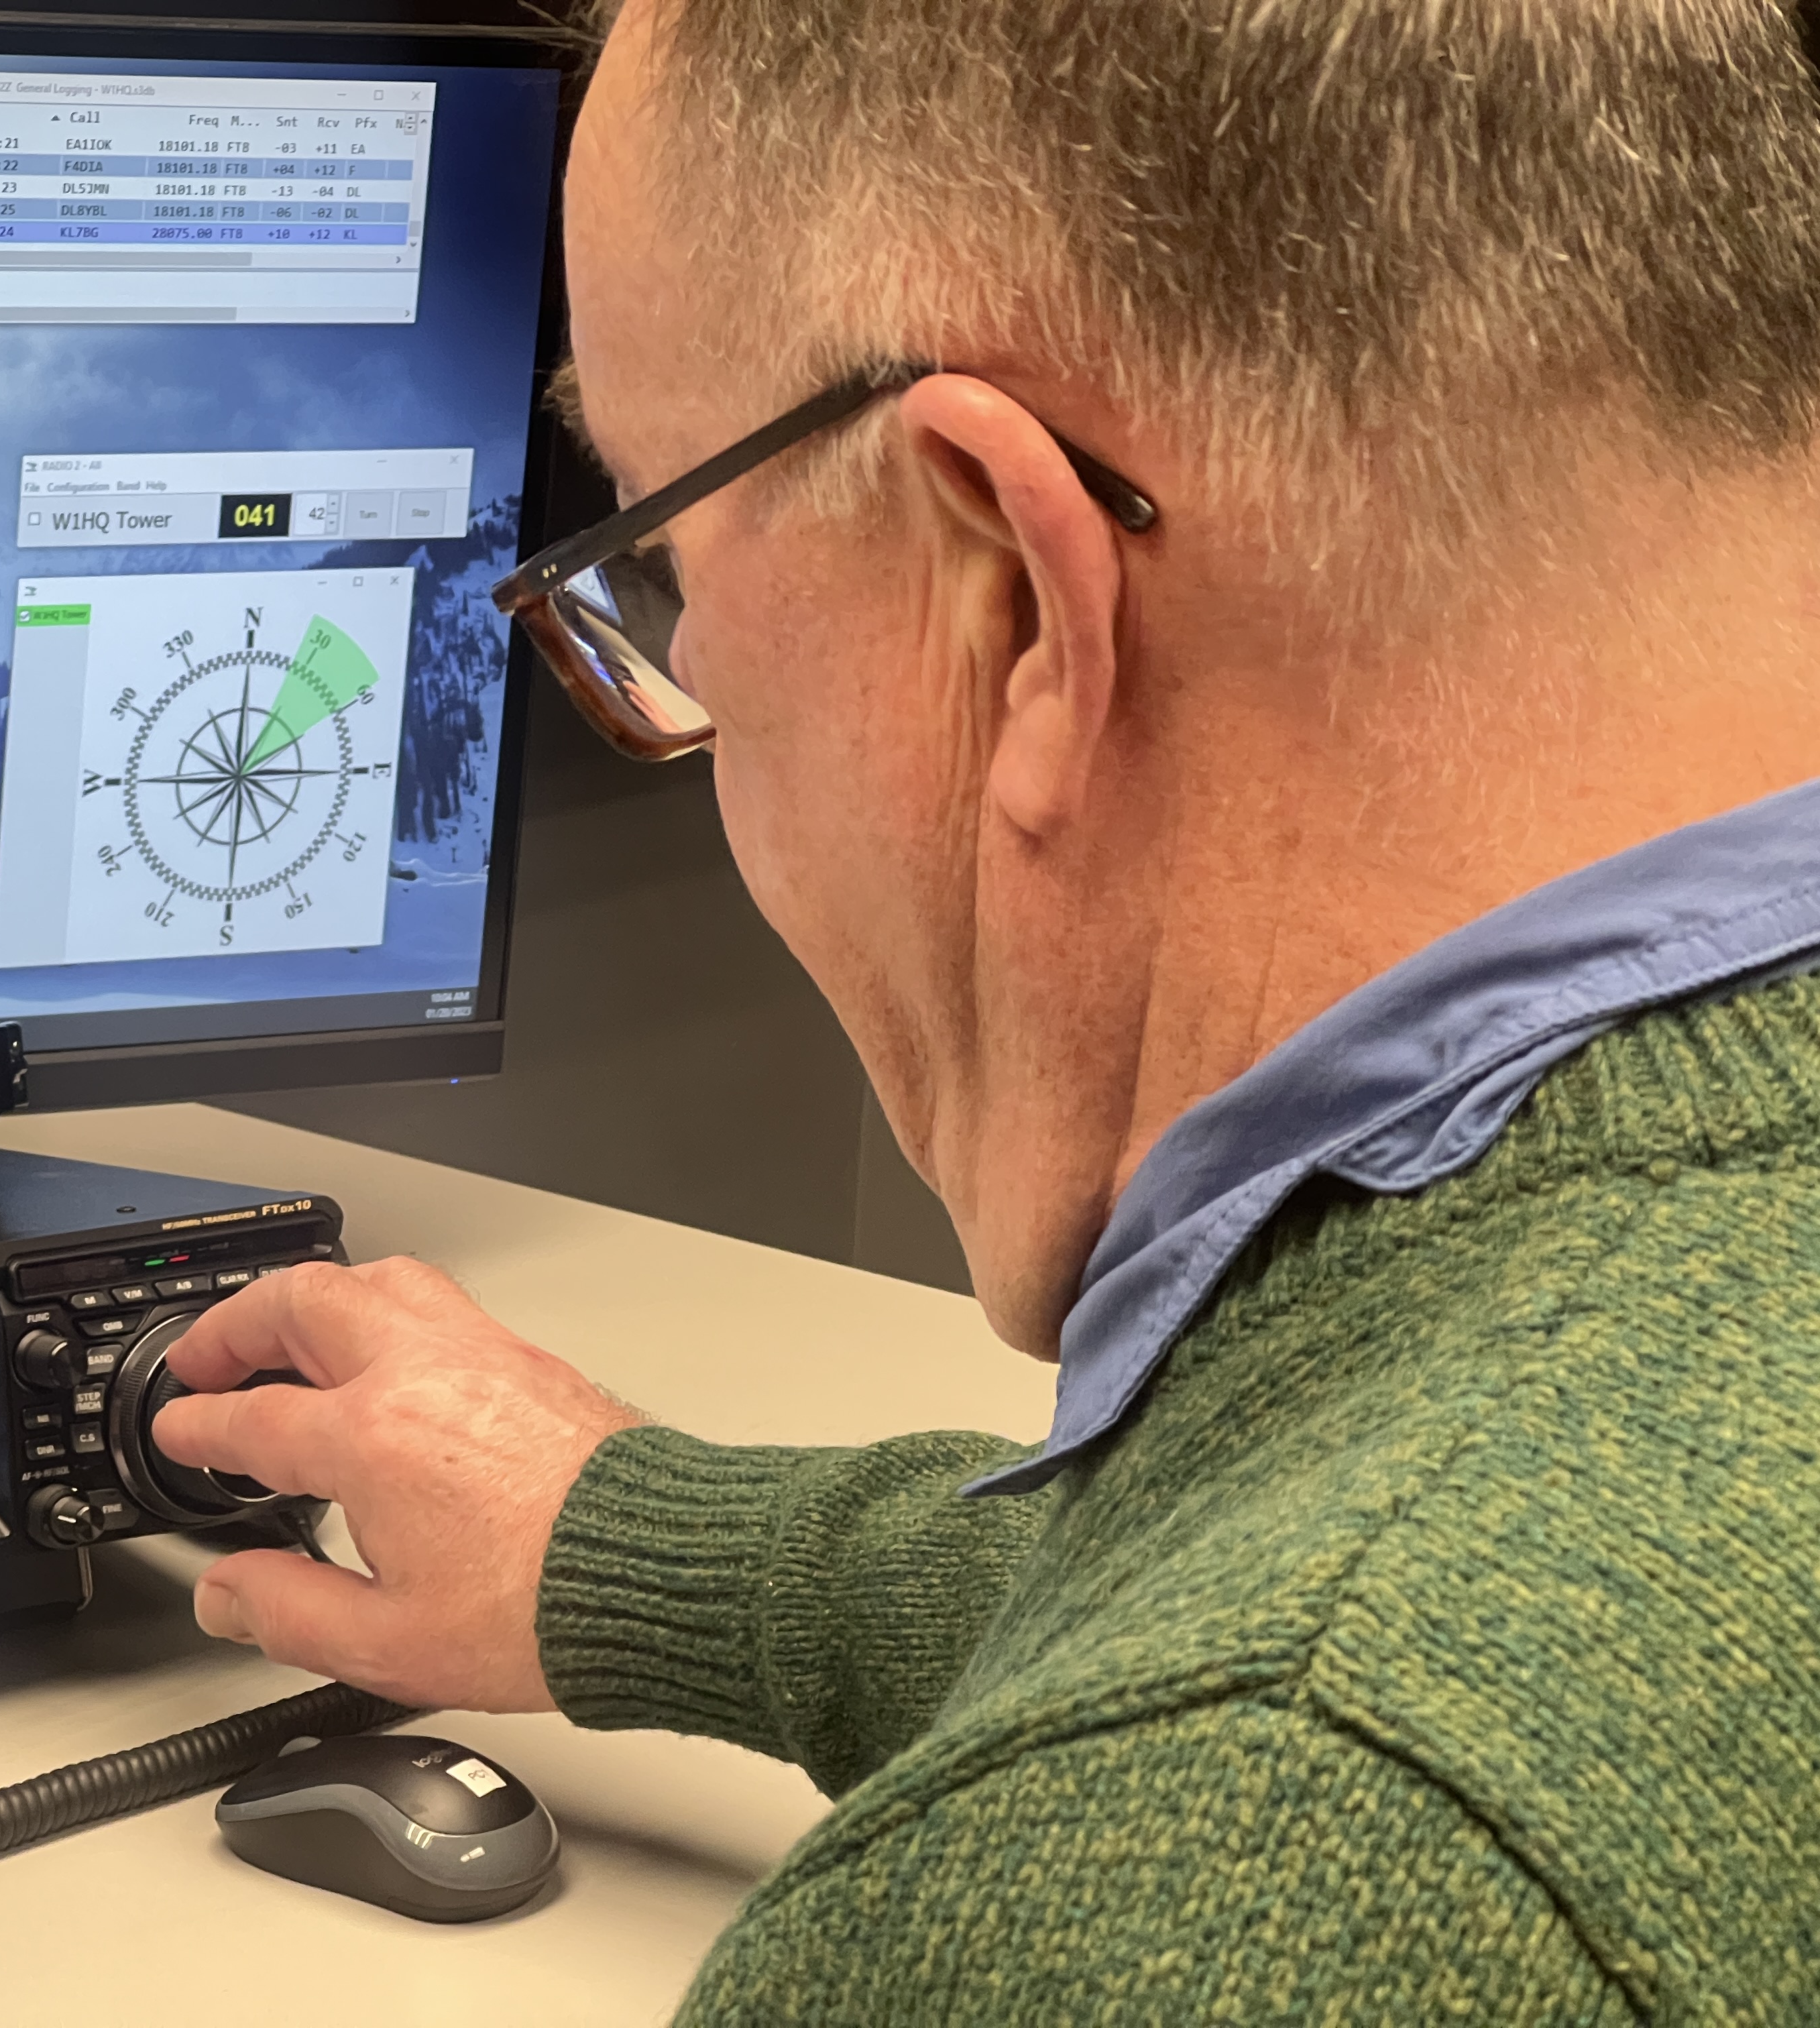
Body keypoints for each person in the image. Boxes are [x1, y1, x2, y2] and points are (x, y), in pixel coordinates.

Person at [156, 0, 1820, 2013]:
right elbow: (1555, 1598)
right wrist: (659, 1553)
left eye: (671, 586)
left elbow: (1310, 1758)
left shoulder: (1220, 1875)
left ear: (1011, 595)